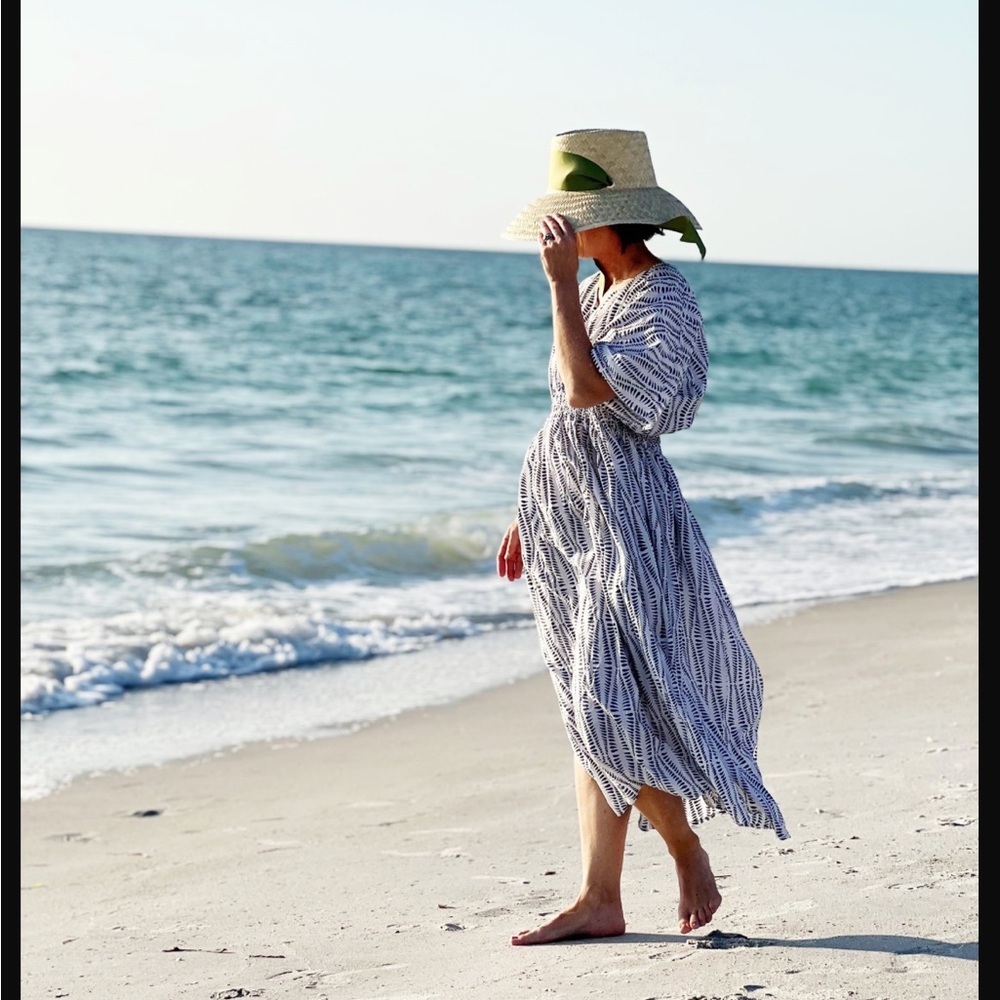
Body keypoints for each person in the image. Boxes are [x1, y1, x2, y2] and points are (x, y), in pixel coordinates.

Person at [496, 128, 788, 947]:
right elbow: (565, 413)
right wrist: (529, 509)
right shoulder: (597, 291)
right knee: (587, 698)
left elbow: (594, 392)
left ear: (614, 221)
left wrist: (556, 289)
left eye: (571, 220)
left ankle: (686, 849)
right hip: (571, 514)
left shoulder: (662, 299)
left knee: (605, 697)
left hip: (628, 520)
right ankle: (600, 897)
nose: (558, 235)